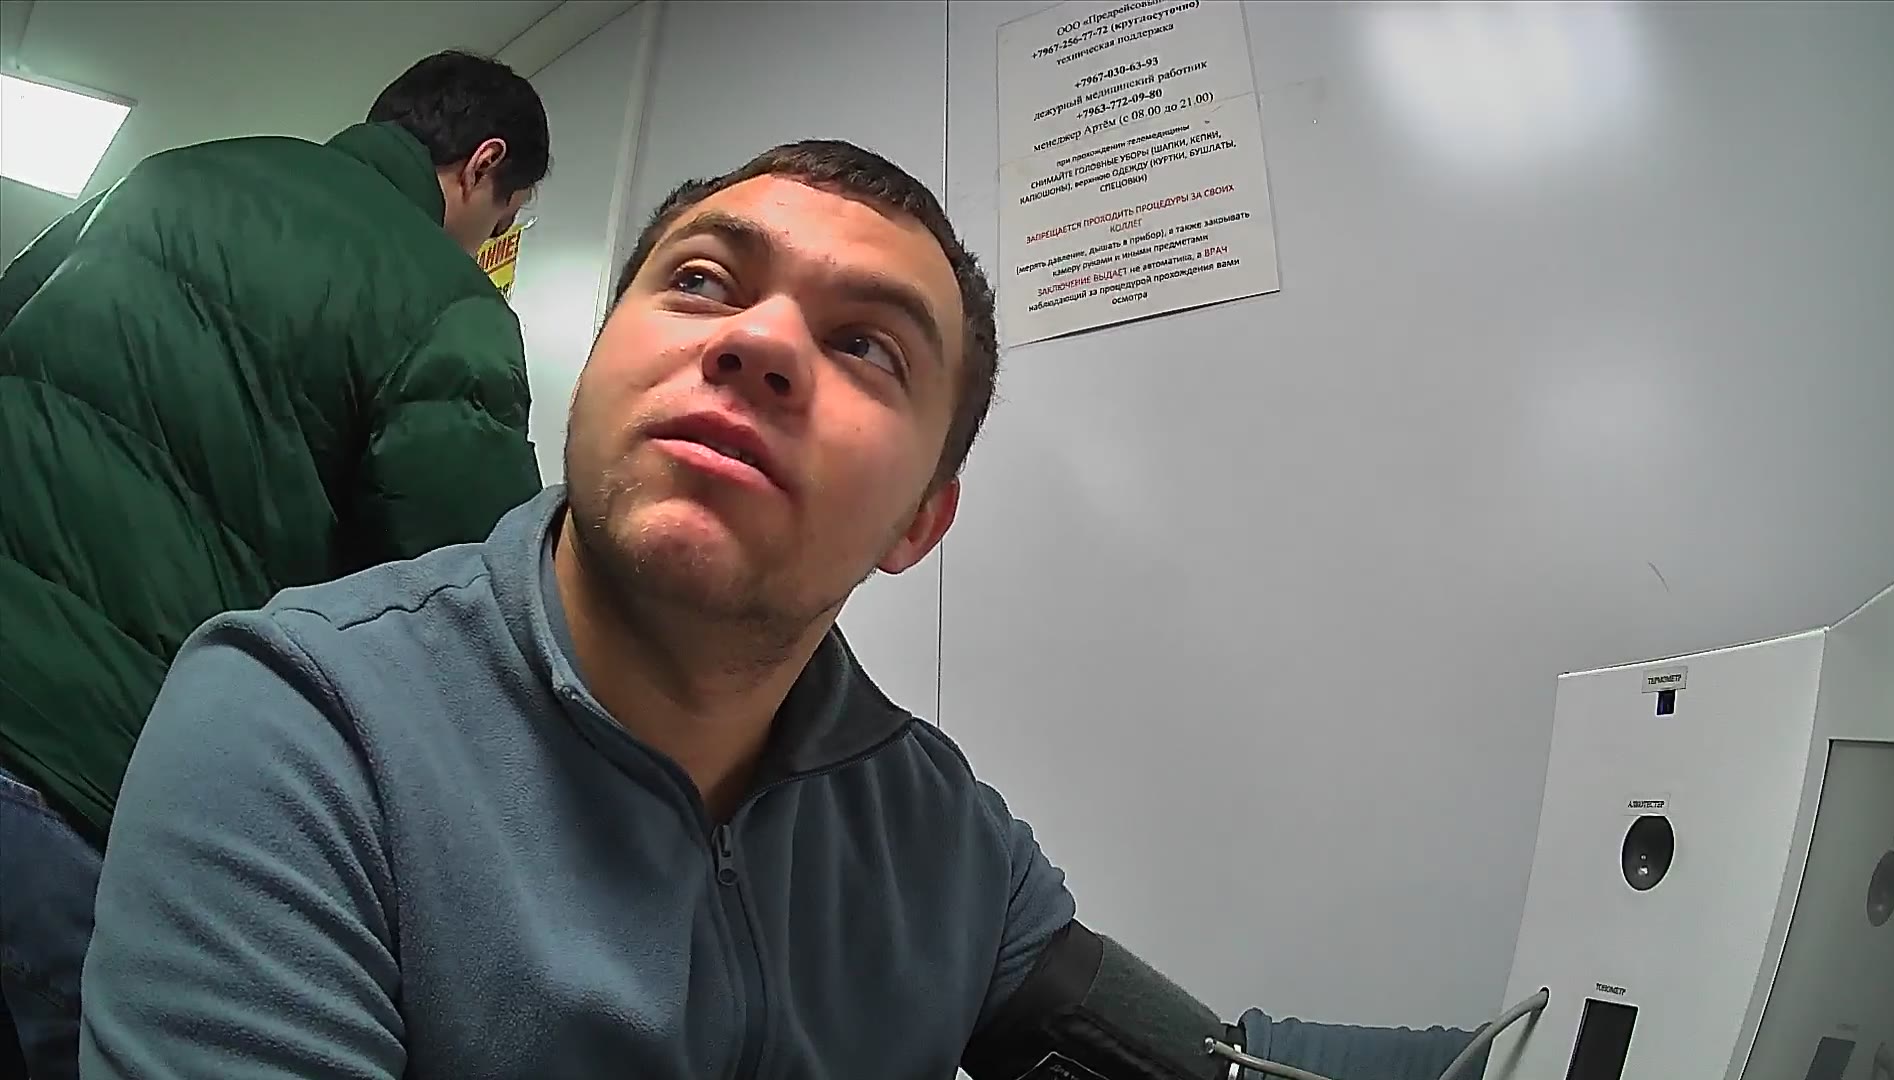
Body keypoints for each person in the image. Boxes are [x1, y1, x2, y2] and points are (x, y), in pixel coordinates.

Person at [75, 140, 1239, 1079]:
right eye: (700, 281)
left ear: (918, 524)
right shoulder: (300, 728)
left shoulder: (947, 839)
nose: (758, 339)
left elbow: (1214, 1062)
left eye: (866, 345)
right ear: (594, 368)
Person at [0, 50, 548, 1078]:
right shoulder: (447, 300)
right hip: (83, 777)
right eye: (504, 216)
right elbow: (473, 608)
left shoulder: (170, 175)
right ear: (484, 167)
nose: (490, 240)